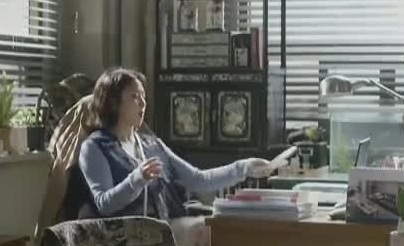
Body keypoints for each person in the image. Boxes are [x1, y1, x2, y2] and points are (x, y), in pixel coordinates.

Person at [76, 67, 276, 221]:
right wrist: (137, 179)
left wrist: (244, 167)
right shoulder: (95, 147)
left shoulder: (152, 145)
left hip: (163, 232)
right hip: (122, 241)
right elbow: (105, 204)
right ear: (113, 103)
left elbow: (198, 179)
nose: (143, 103)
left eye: (143, 96)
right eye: (134, 97)